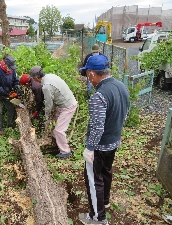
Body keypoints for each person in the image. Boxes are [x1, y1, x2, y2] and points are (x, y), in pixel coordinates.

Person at [78, 54, 129, 225]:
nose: (88, 79)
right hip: (114, 142)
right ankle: (105, 201)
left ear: (92, 74)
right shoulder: (122, 86)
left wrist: (90, 148)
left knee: (94, 180)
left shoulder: (98, 96)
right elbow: (124, 114)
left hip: (99, 146)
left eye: (87, 75)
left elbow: (98, 127)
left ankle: (97, 218)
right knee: (106, 172)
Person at [29, 66, 78, 158]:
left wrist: (46, 116)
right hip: (63, 104)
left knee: (59, 130)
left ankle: (65, 151)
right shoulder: (50, 76)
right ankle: (54, 141)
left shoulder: (46, 86)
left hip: (67, 106)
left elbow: (49, 103)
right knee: (55, 124)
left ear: (36, 78)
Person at [0, 54, 21, 135]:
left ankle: (10, 123)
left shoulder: (12, 69)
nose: (10, 68)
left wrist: (16, 86)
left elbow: (15, 80)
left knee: (11, 107)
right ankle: (0, 128)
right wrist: (6, 93)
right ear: (4, 64)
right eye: (9, 66)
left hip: (7, 91)